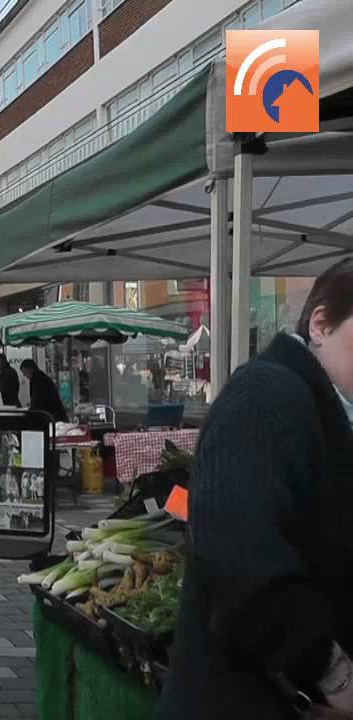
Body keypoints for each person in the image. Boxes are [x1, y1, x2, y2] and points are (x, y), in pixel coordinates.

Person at [158, 259, 353, 720]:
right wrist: (333, 675)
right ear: (321, 324)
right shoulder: (264, 397)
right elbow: (244, 569)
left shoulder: (321, 409)